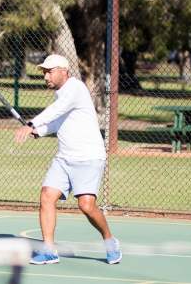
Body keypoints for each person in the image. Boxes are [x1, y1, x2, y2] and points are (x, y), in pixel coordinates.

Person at [14, 54, 121, 265]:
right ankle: (48, 250)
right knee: (47, 196)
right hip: (64, 158)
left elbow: (57, 111)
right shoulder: (61, 95)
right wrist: (39, 131)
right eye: (44, 72)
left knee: (87, 206)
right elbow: (57, 121)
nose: (46, 76)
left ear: (64, 71)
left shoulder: (75, 88)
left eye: (50, 71)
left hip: (89, 157)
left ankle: (110, 241)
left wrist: (31, 124)